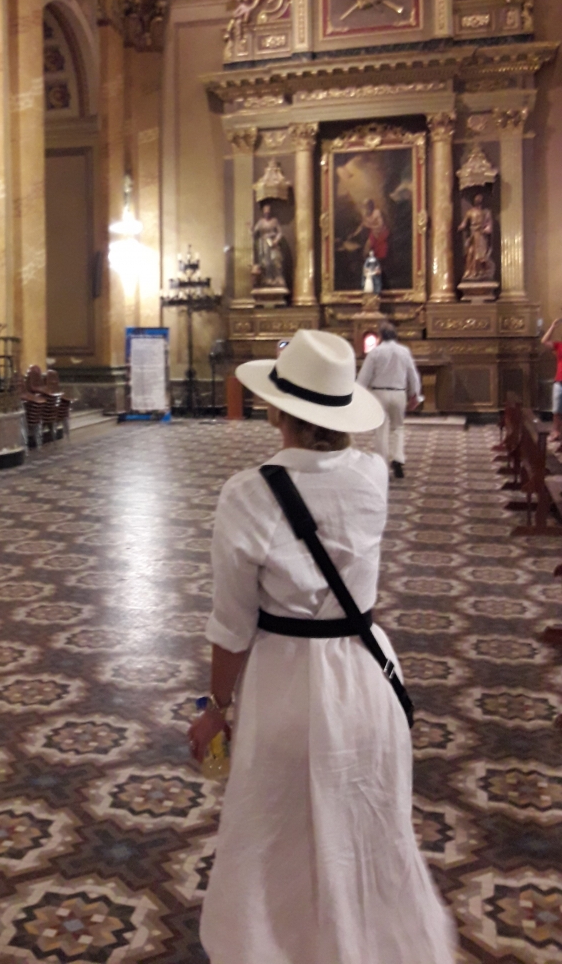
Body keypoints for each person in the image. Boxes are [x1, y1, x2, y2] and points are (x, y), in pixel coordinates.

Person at [188, 329, 457, 964]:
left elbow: (233, 624)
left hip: (288, 684)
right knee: (366, 831)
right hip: (367, 676)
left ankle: (280, 946)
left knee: (276, 834)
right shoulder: (372, 474)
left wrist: (215, 707)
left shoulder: (248, 494)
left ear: (278, 408)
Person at [356, 320, 422, 479]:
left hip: (379, 394)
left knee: (380, 429)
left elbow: (364, 376)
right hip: (399, 393)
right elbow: (412, 374)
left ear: (380, 336)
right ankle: (397, 458)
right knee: (398, 427)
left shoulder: (375, 352)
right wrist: (415, 395)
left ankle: (382, 464)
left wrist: (358, 395)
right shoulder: (404, 351)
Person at [458, 193, 495, 281]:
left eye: (480, 198)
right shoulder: (470, 212)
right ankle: (470, 271)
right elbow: (464, 223)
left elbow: (489, 224)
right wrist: (460, 227)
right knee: (471, 253)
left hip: (481, 235)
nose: (478, 200)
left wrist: (487, 229)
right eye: (477, 198)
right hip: (473, 235)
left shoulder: (485, 212)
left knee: (481, 255)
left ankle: (481, 272)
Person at [252, 202, 286, 287]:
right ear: (263, 212)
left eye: (268, 211)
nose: (267, 213)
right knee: (266, 262)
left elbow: (280, 232)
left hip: (273, 243)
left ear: (270, 212)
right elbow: (254, 232)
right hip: (264, 244)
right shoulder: (260, 222)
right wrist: (249, 229)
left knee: (275, 260)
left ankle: (277, 278)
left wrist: (276, 240)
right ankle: (268, 278)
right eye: (265, 211)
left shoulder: (274, 221)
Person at [541, 315, 562, 443]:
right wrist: (553, 327)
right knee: (556, 410)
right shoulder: (559, 345)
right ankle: (556, 432)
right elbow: (544, 341)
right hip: (559, 381)